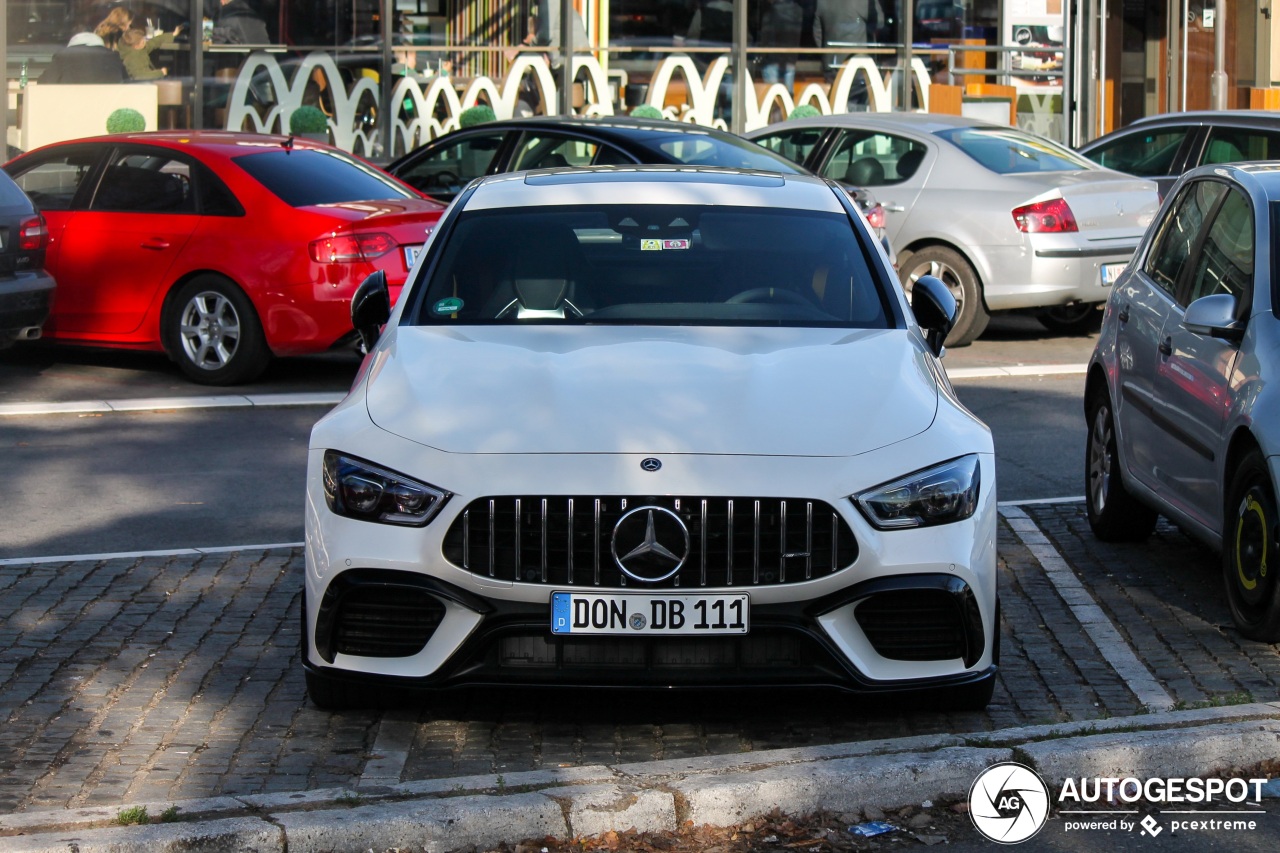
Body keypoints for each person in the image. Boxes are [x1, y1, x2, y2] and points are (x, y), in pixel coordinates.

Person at [813, 0, 887, 109]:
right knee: (858, 106)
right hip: (858, 67)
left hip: (832, 66)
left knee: (837, 102)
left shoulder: (822, 2)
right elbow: (879, 22)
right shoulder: (864, 2)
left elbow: (817, 33)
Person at [39, 25, 126, 84]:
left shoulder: (63, 55)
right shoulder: (113, 56)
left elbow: (44, 81)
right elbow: (127, 81)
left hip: (72, 105)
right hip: (107, 105)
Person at [758, 0, 804, 93]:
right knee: (787, 97)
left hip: (772, 60)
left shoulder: (770, 11)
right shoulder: (798, 11)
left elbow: (765, 36)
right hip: (790, 59)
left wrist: (761, 56)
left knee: (772, 97)